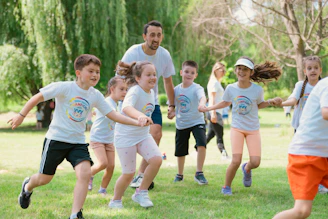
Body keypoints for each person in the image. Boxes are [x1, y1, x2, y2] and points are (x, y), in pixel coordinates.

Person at [7, 54, 148, 219]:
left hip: (77, 143)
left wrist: (136, 120)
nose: (95, 75)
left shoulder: (95, 95)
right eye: (91, 71)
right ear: (78, 72)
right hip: (56, 140)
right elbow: (38, 97)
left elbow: (113, 115)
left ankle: (75, 214)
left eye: (97, 71)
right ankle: (27, 187)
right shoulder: (64, 87)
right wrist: (21, 115)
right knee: (44, 179)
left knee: (85, 173)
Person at [199, 56, 282, 195]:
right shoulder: (231, 88)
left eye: (245, 69)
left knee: (255, 162)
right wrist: (209, 108)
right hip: (237, 128)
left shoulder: (257, 90)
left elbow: (259, 104)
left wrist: (270, 101)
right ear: (235, 70)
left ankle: (247, 168)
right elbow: (225, 103)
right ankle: (226, 187)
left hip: (253, 130)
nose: (241, 72)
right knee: (235, 160)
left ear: (251, 73)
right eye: (239, 68)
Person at [121, 20, 176, 189]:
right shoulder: (133, 52)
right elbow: (121, 77)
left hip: (151, 102)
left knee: (156, 134)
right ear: (145, 36)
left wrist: (172, 105)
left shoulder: (164, 55)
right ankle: (128, 173)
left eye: (159, 35)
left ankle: (141, 175)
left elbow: (167, 81)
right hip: (133, 101)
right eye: (152, 34)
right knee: (132, 137)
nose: (156, 38)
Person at [109, 61, 162, 209]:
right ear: (138, 78)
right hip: (126, 137)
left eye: (154, 74)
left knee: (156, 160)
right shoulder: (135, 91)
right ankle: (115, 201)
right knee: (128, 174)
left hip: (143, 135)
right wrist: (140, 116)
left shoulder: (151, 92)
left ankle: (141, 192)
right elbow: (126, 107)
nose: (152, 77)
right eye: (148, 75)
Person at [273, 77, 328, 219]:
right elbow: (326, 113)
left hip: (323, 152)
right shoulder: (326, 85)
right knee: (302, 211)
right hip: (307, 153)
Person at [278, 55, 328, 194]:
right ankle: (307, 183)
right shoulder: (301, 85)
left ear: (320, 70)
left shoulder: (323, 86)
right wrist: (280, 103)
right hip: (302, 127)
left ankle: (318, 182)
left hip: (319, 128)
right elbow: (293, 100)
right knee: (306, 157)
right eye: (309, 68)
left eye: (316, 68)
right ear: (304, 71)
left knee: (319, 156)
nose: (313, 70)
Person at [88, 76, 128, 195]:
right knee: (103, 163)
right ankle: (89, 174)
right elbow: (116, 116)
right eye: (121, 89)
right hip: (97, 139)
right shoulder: (106, 102)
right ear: (112, 89)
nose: (125, 92)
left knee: (111, 166)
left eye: (126, 89)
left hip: (109, 140)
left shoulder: (117, 104)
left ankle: (102, 189)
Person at [171, 60, 208, 185]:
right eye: (186, 71)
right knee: (180, 151)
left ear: (195, 75)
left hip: (197, 121)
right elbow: (172, 106)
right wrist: (171, 112)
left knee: (202, 144)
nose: (189, 74)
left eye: (192, 73)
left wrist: (202, 104)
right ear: (181, 72)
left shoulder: (197, 88)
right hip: (182, 123)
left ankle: (199, 173)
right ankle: (179, 174)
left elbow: (202, 97)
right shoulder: (176, 90)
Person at [206, 62, 229, 159]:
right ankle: (224, 154)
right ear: (215, 70)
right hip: (214, 112)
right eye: (222, 70)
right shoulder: (214, 82)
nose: (224, 72)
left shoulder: (217, 82)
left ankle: (197, 149)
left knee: (211, 134)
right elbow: (212, 99)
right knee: (220, 134)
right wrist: (213, 113)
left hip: (217, 112)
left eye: (225, 70)